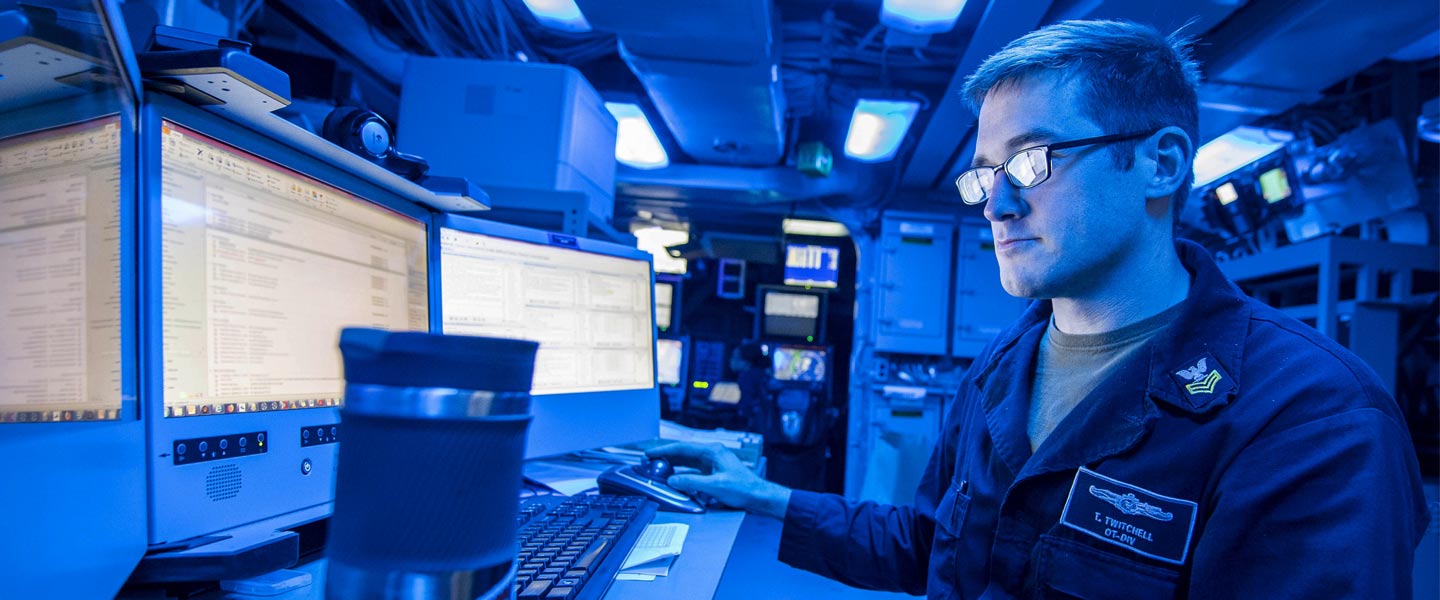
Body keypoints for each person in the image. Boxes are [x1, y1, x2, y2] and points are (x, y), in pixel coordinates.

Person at [648, 19, 1429, 598]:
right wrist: (762, 496)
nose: (998, 201)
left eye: (1033, 158)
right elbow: (932, 545)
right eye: (986, 173)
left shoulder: (1312, 420)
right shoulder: (1001, 368)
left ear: (1159, 163)